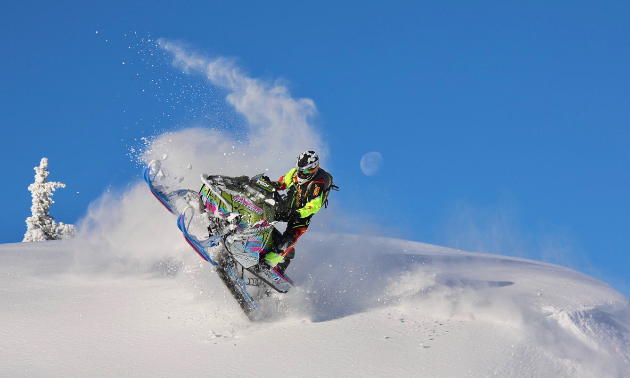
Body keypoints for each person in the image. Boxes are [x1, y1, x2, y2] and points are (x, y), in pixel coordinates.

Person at [263, 151, 333, 274]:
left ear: (313, 169)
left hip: (302, 215)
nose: (300, 174)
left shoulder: (318, 183)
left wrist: (298, 213)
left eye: (304, 172)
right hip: (288, 204)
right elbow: (283, 182)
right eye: (299, 170)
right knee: (266, 208)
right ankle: (254, 236)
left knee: (291, 236)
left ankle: (268, 263)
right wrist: (272, 185)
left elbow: (314, 206)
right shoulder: (296, 171)